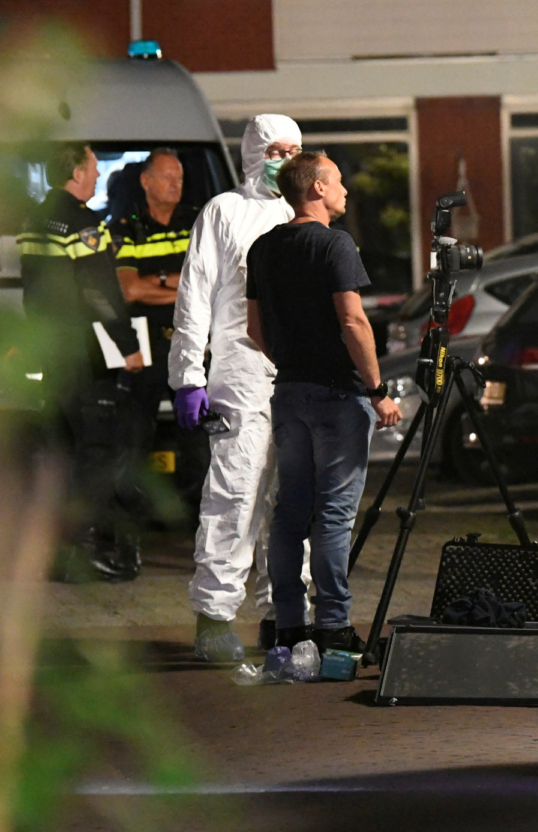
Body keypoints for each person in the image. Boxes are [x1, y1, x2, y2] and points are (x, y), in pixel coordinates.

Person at [245, 151, 400, 652]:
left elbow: (254, 328)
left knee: (290, 512)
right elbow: (353, 321)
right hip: (338, 395)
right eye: (337, 181)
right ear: (315, 188)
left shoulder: (263, 249)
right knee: (334, 515)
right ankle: (334, 626)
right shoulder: (336, 245)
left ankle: (289, 624)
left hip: (288, 393)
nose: (346, 191)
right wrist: (377, 390)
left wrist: (292, 364)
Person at [168, 115, 309, 662]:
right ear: (253, 152)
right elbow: (194, 296)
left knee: (292, 499)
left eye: (296, 150)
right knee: (236, 492)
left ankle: (285, 615)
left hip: (295, 375)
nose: (287, 159)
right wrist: (189, 377)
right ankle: (214, 619)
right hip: (241, 372)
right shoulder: (224, 211)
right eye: (276, 149)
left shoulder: (303, 216)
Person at [18, 142, 145, 582]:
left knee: (63, 448)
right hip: (78, 351)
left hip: (49, 349)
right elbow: (98, 291)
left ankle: (56, 547)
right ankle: (82, 550)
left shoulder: (37, 218)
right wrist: (127, 345)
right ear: (74, 171)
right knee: (94, 448)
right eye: (91, 168)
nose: (96, 176)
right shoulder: (82, 222)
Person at [112, 149, 199, 462]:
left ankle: (195, 508)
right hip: (145, 346)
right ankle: (129, 508)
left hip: (191, 345)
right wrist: (188, 287)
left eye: (180, 177)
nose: (176, 184)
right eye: (167, 177)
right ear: (145, 181)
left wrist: (157, 280)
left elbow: (216, 282)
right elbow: (130, 290)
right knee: (133, 439)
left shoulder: (197, 222)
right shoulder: (126, 227)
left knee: (198, 440)